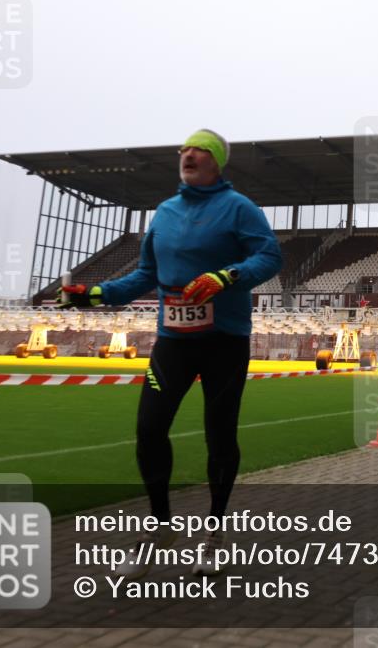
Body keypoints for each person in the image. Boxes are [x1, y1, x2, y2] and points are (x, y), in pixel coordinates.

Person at [61, 128, 282, 577]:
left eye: (199, 149)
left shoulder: (239, 208)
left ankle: (214, 533)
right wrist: (97, 293)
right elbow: (145, 273)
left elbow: (270, 257)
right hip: (174, 343)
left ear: (217, 162)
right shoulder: (164, 212)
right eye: (184, 149)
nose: (187, 154)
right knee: (148, 428)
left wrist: (227, 277)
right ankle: (161, 528)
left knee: (219, 434)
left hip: (224, 341)